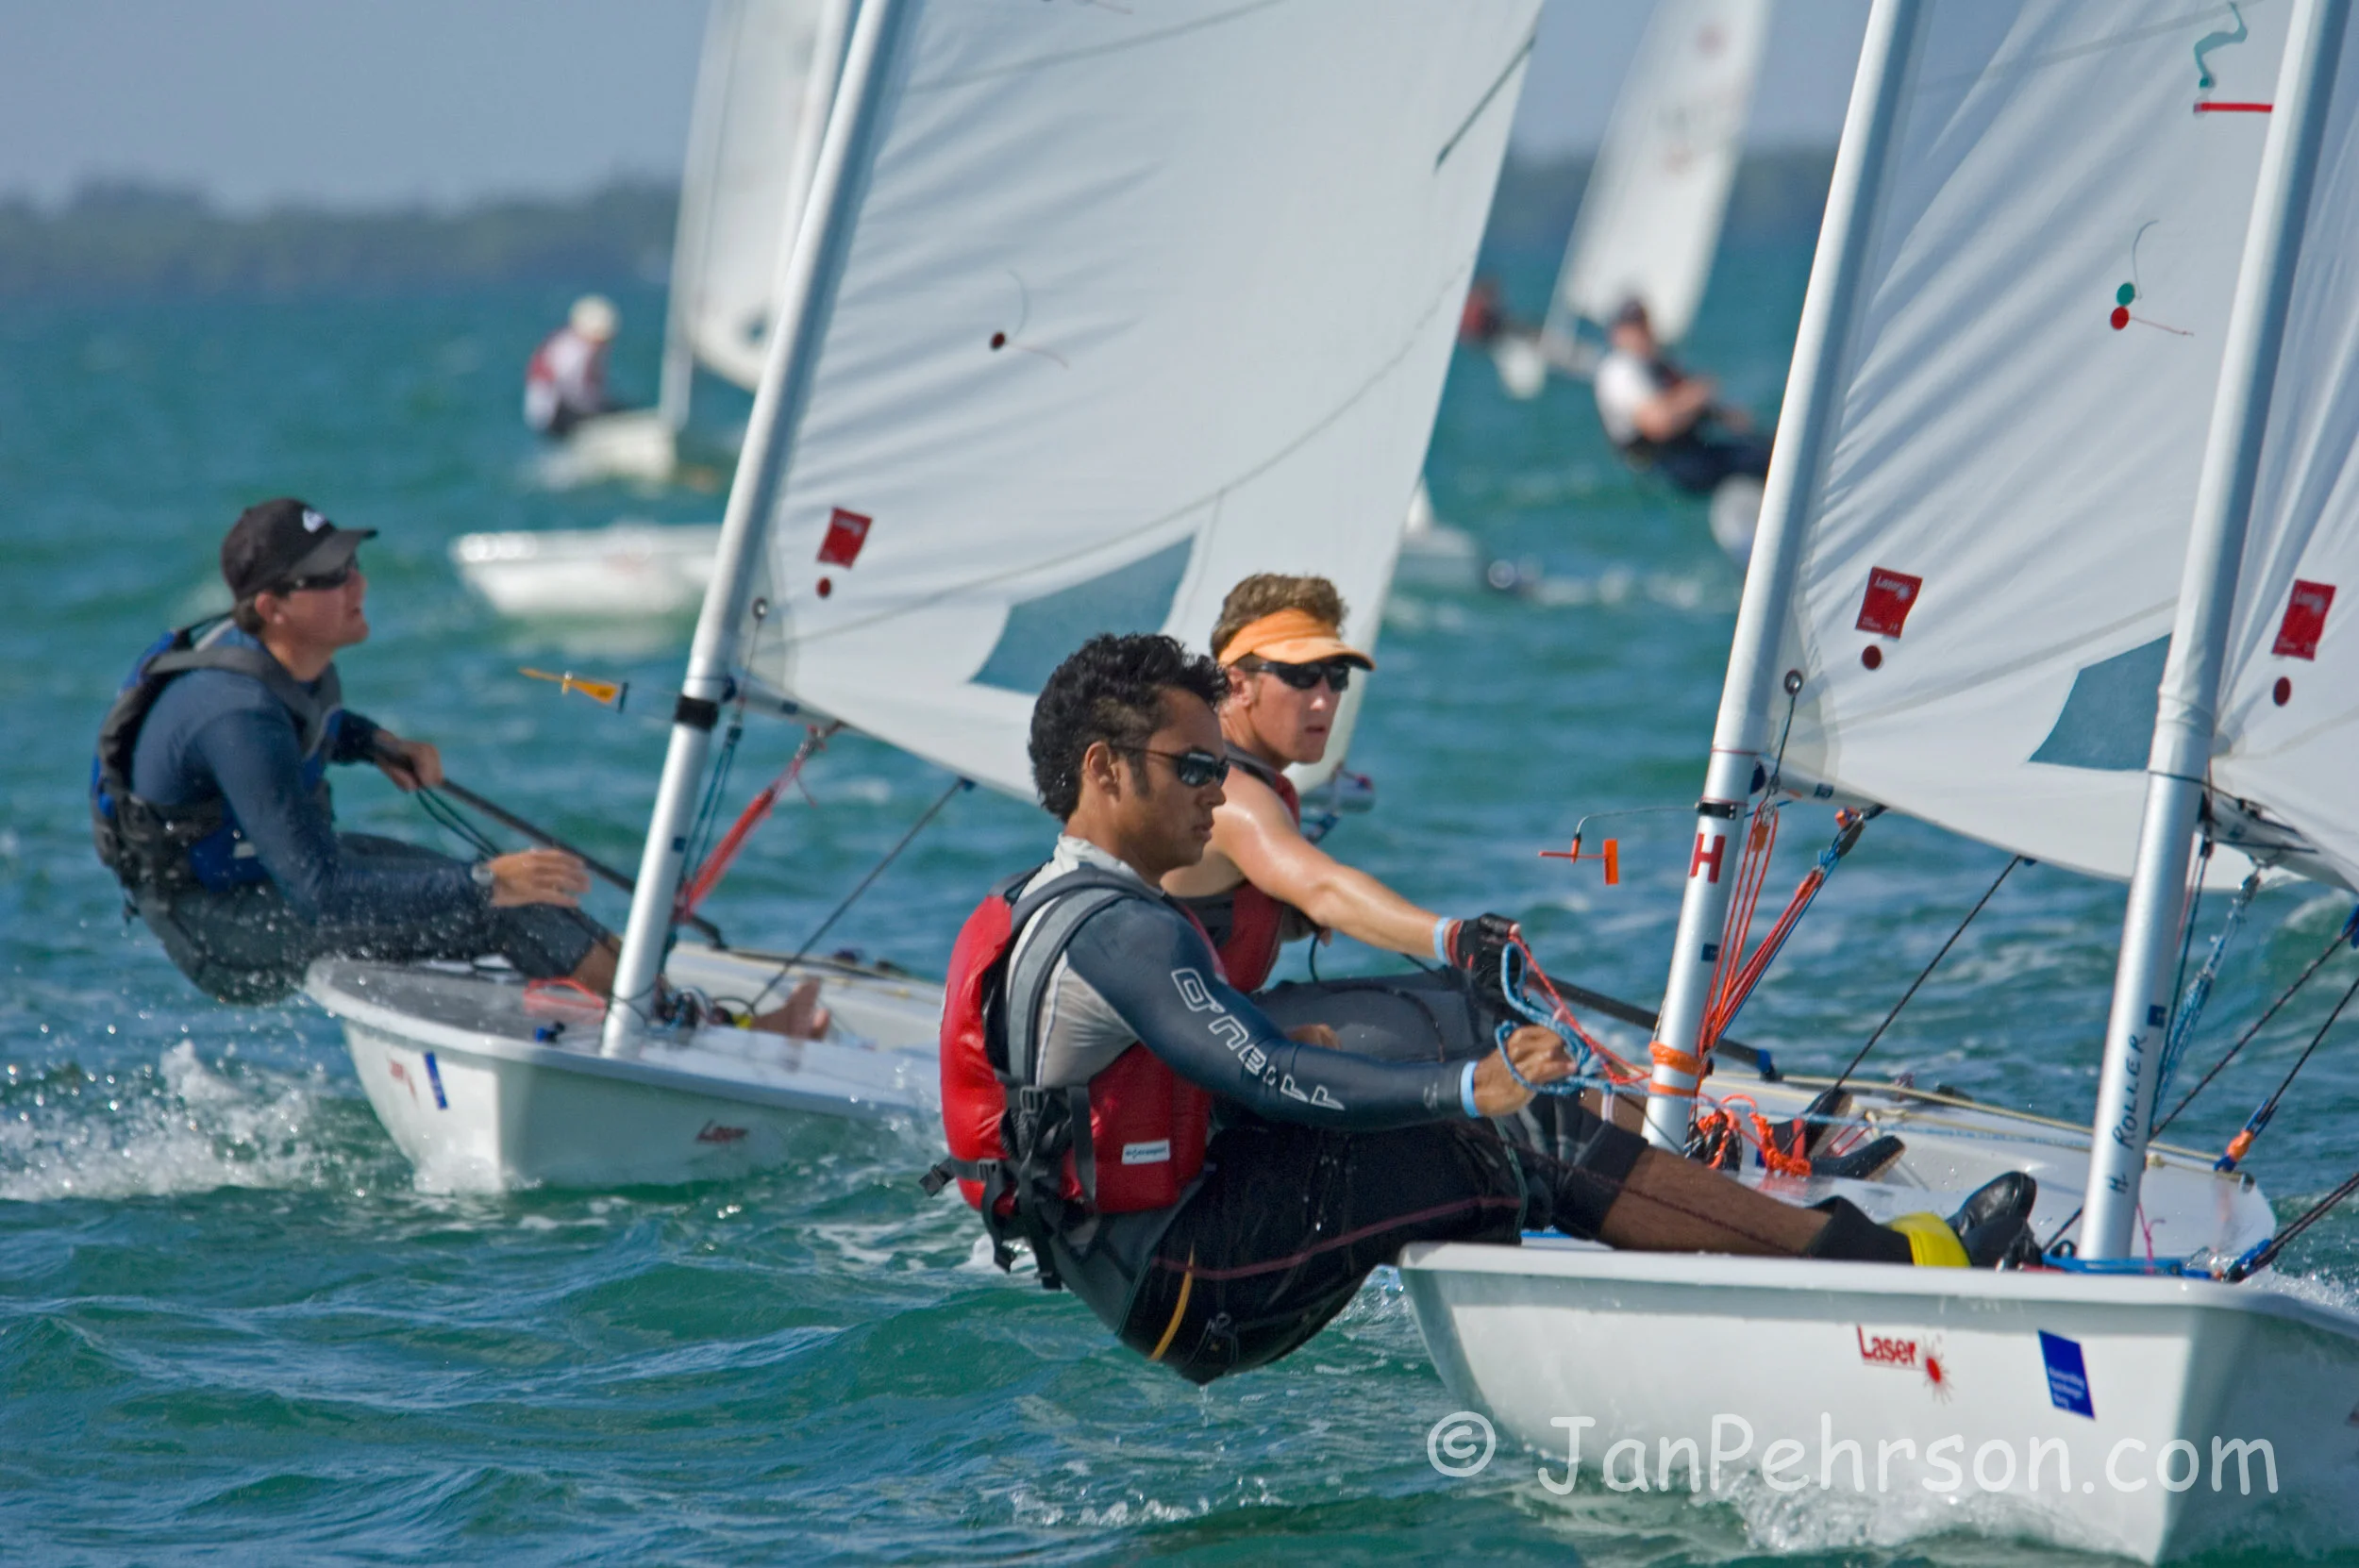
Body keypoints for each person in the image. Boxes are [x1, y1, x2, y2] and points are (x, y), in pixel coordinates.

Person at [932, 633, 2036, 1385]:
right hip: (1186, 1279)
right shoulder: (1124, 930)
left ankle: (1729, 1265)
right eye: (1191, 769)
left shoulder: (1053, 897)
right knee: (1516, 1135)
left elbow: (1207, 1073)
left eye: (1220, 768)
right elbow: (1261, 1072)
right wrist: (1465, 1088)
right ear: (1103, 770)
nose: (1216, 792)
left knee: (1474, 1086)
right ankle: (1877, 1274)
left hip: (1150, 1259)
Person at [92, 497, 827, 1037]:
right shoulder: (235, 715)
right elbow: (322, 896)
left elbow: (308, 729)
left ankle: (663, 1002)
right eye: (331, 577)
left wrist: (373, 742)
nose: (358, 584)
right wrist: (485, 884)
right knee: (500, 897)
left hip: (274, 878)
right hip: (219, 929)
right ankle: (706, 1030)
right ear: (273, 606)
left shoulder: (286, 662)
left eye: (352, 565)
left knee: (513, 887)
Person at [1161, 575, 1516, 993]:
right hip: (1183, 1032)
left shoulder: (1235, 774)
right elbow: (1325, 890)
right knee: (1469, 1007)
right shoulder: (1228, 795)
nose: (1324, 699)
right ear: (1238, 686)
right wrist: (1456, 940)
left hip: (1218, 1017)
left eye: (1336, 676)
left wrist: (1277, 914)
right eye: (1301, 675)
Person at [1592, 297, 1771, 495]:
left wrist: (1727, 417)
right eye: (1633, 326)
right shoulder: (1620, 371)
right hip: (1665, 463)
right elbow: (1657, 423)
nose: (1641, 331)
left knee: (1763, 448)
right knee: (1760, 459)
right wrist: (1695, 395)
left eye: (1642, 323)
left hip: (1688, 450)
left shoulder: (1654, 362)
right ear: (1617, 333)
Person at [524, 294, 621, 438]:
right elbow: (571, 392)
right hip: (555, 414)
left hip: (566, 408)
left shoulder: (586, 349)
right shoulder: (570, 351)